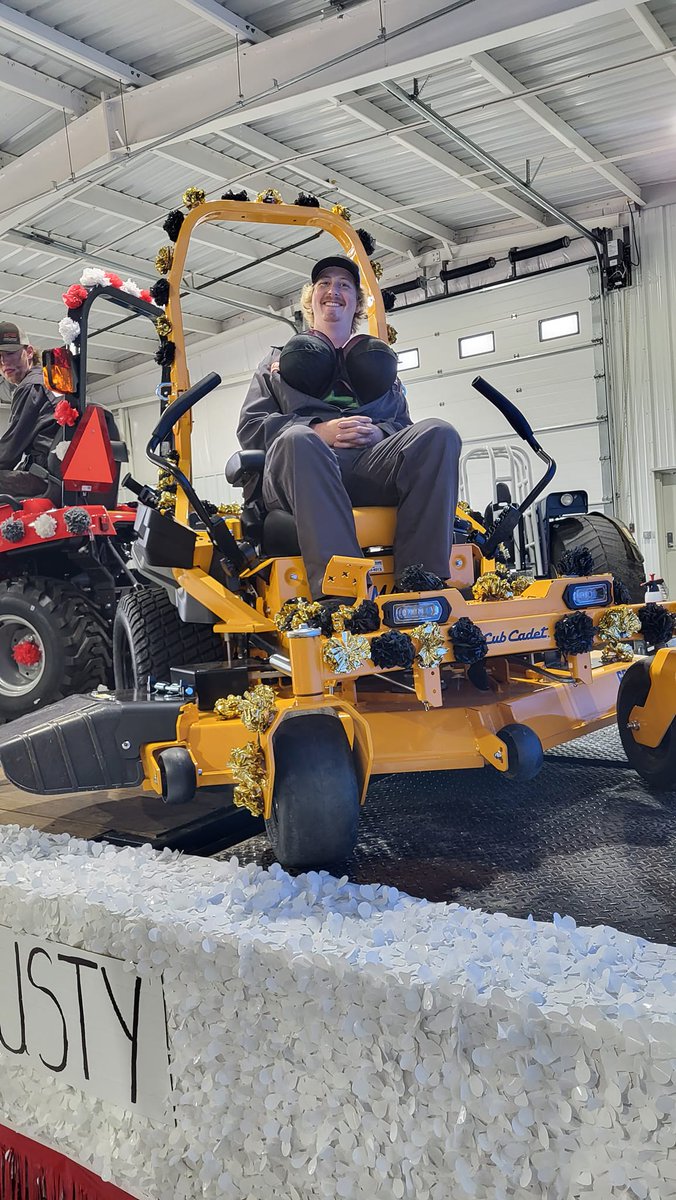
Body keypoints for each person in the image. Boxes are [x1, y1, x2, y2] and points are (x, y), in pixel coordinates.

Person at [237, 256, 461, 599]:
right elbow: (251, 427)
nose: (333, 291)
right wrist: (318, 429)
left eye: (344, 285)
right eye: (323, 284)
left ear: (356, 302)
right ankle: (341, 591)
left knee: (439, 433)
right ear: (310, 299)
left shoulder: (379, 366)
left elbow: (403, 425)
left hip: (368, 466)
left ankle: (421, 582)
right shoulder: (274, 363)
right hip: (301, 469)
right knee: (300, 439)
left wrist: (381, 434)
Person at [0, 322, 58, 498]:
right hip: (55, 475)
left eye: (10, 353)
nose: (4, 361)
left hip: (47, 479)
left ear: (29, 352)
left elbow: (10, 451)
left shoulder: (32, 386)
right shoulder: (48, 380)